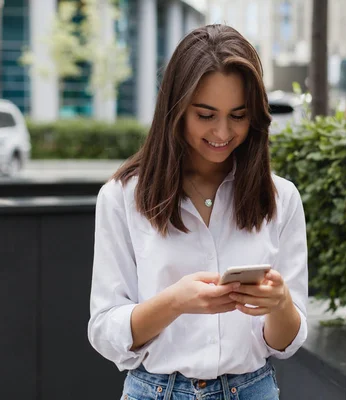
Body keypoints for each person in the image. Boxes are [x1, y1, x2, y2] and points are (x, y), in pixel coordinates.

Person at [87, 24, 308, 400]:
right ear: (176, 109)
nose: (222, 132)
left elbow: (285, 343)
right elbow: (105, 331)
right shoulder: (122, 197)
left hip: (253, 389)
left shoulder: (280, 198)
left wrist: (281, 304)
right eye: (206, 115)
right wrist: (175, 302)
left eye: (238, 116)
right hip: (153, 390)